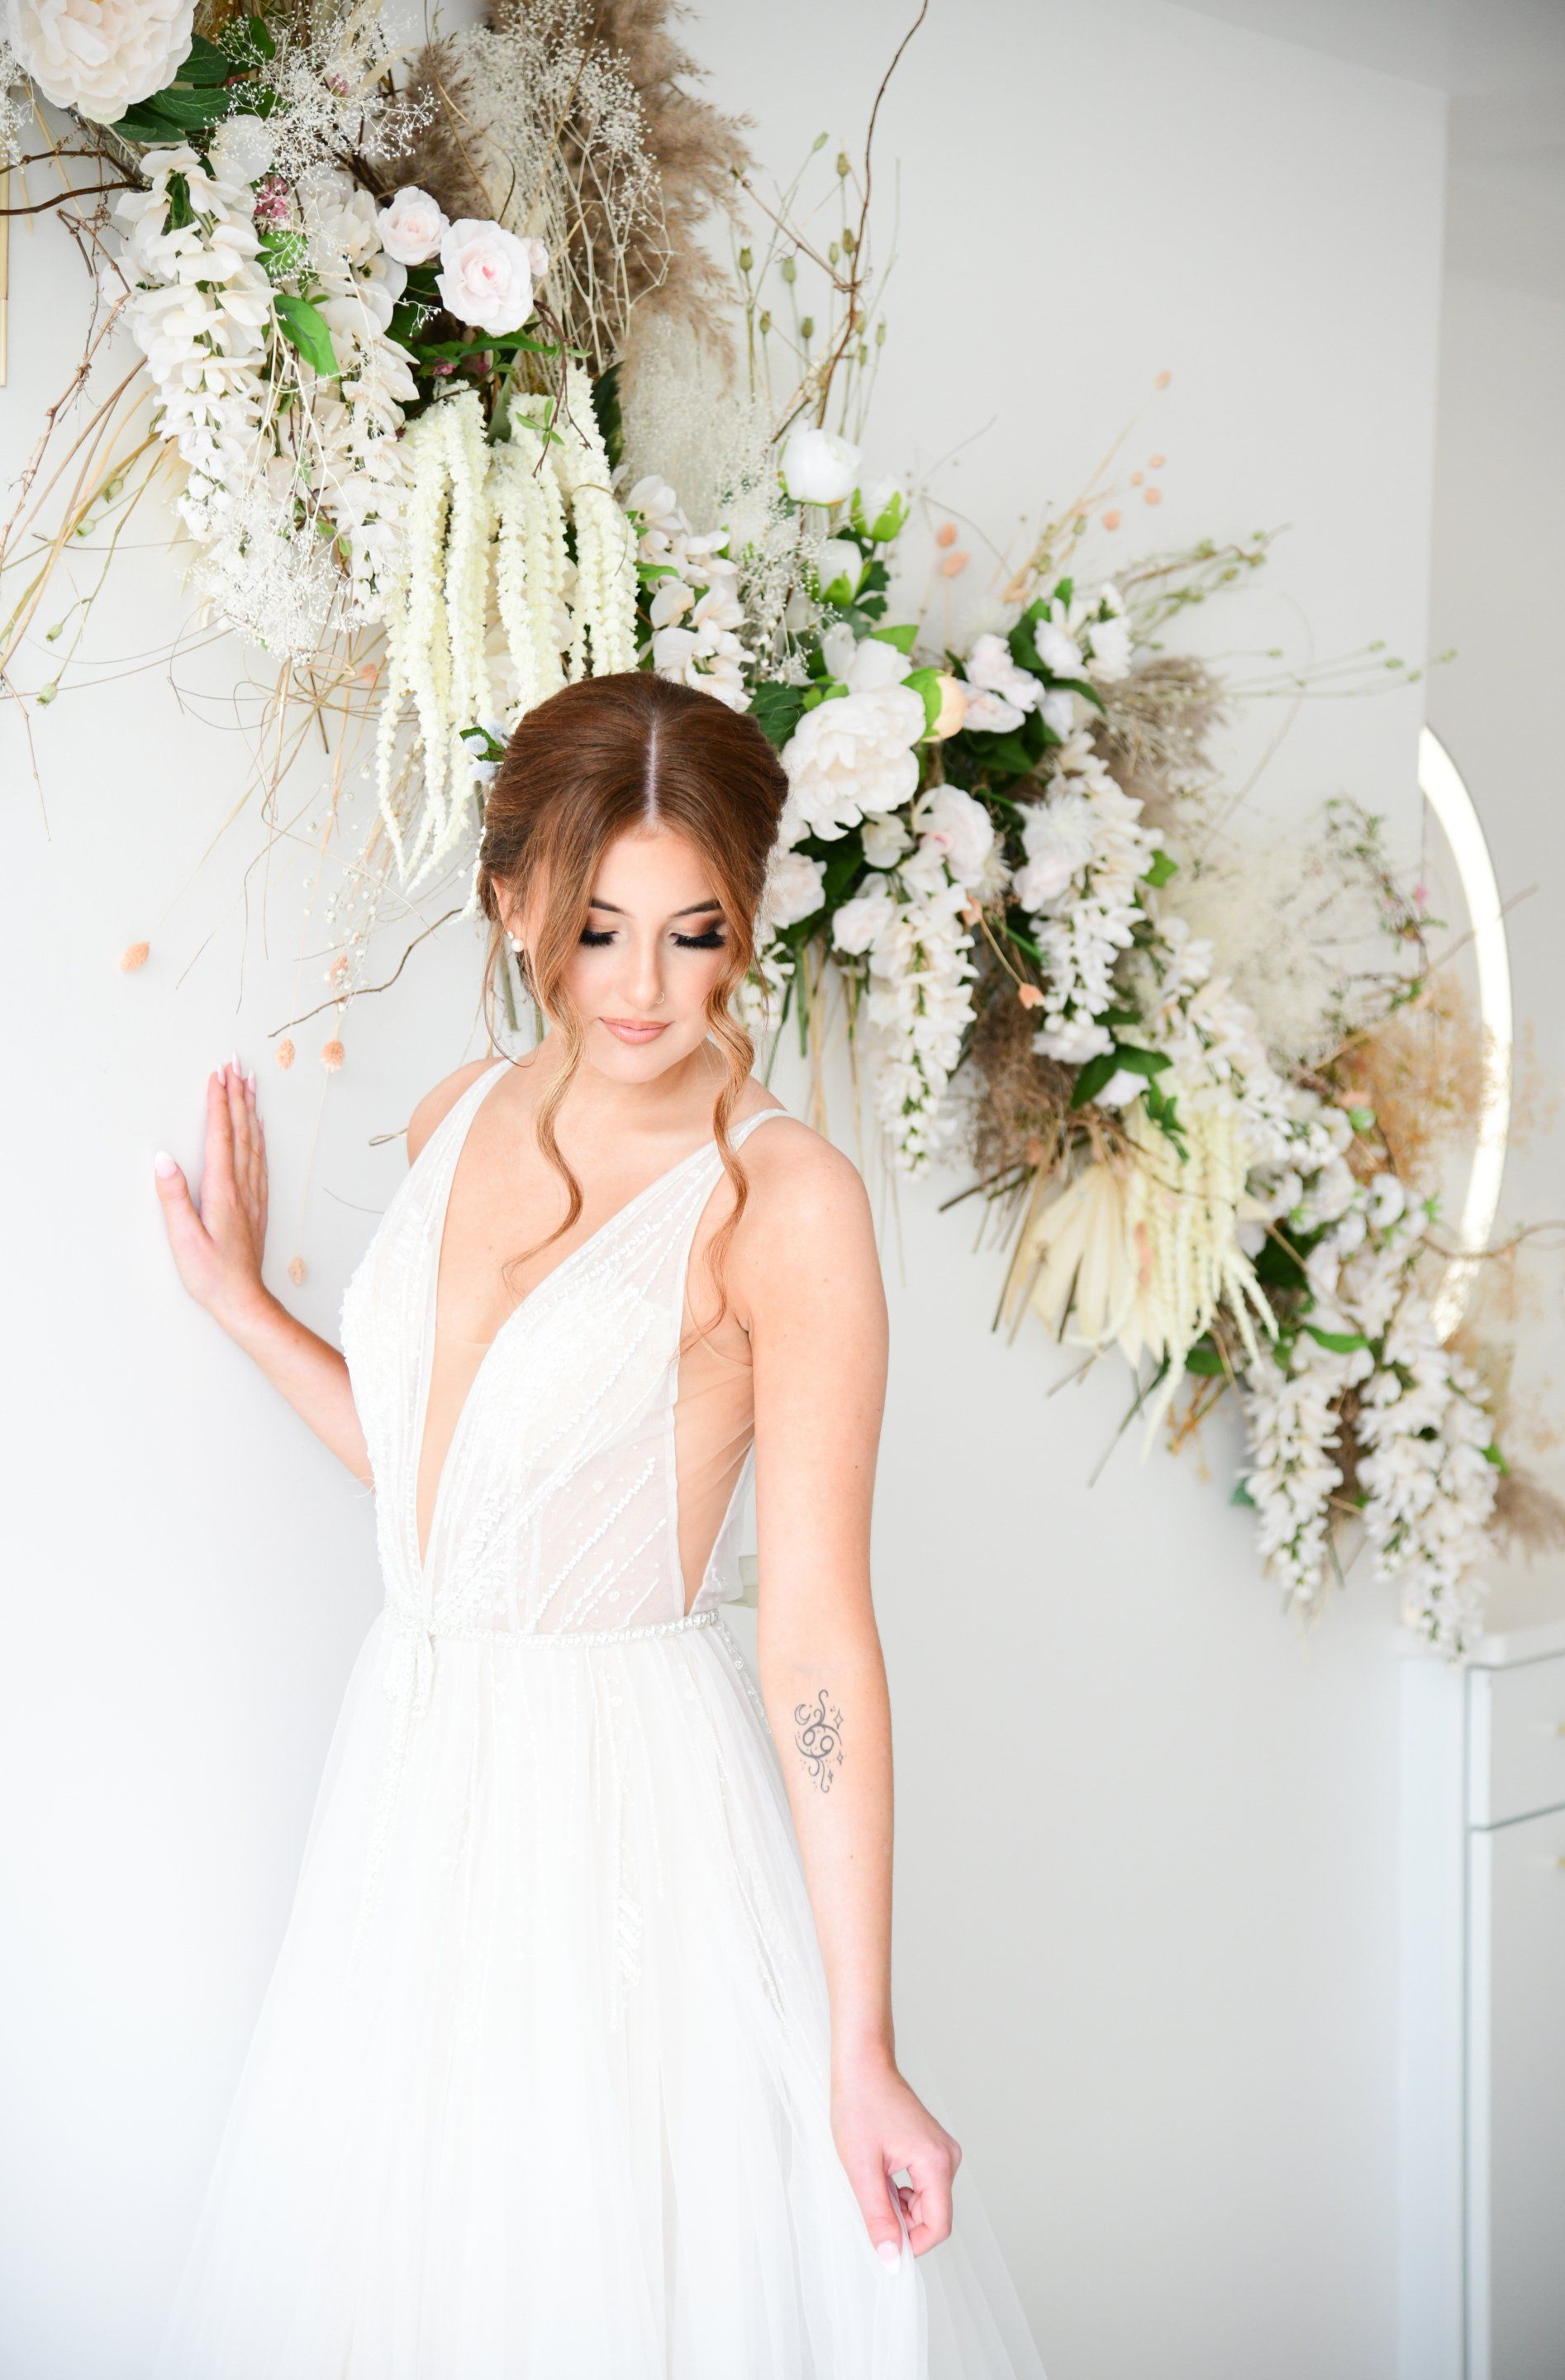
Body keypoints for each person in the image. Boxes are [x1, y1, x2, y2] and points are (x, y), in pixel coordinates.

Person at [149, 671, 1047, 2376]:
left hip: (624, 1816)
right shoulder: (452, 1119)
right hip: (415, 1786)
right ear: (508, 902)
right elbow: (461, 1512)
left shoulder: (784, 1203)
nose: (644, 990)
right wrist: (247, 1309)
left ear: (752, 919)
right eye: (596, 929)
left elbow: (818, 1638)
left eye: (695, 934)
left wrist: (863, 2039)